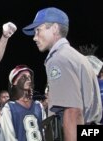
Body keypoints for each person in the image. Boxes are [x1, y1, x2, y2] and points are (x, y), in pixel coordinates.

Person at [22, 7, 102, 141]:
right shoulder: (76, 56)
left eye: (38, 30)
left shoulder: (59, 59)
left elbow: (73, 112)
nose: (34, 37)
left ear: (54, 28)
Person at [0, 65, 44, 141]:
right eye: (24, 77)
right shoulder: (9, 108)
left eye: (29, 77)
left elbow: (45, 133)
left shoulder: (38, 105)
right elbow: (9, 138)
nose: (28, 79)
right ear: (14, 82)